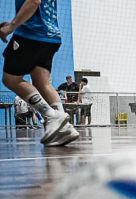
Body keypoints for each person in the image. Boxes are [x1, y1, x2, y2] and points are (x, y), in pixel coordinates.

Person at [0, 0, 78, 146]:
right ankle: (65, 127)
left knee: (10, 79)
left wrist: (11, 26)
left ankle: (50, 116)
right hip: (51, 35)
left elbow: (34, 1)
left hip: (31, 34)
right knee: (42, 83)